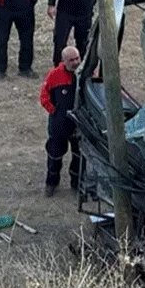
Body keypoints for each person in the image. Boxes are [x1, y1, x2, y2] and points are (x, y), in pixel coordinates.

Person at [39, 46, 83, 196]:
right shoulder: (54, 76)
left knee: (79, 155)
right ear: (64, 61)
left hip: (78, 124)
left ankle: (76, 184)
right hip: (59, 124)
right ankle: (51, 183)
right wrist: (54, 111)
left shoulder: (84, 73)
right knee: (55, 154)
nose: (76, 62)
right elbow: (44, 96)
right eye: (72, 60)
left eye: (77, 58)